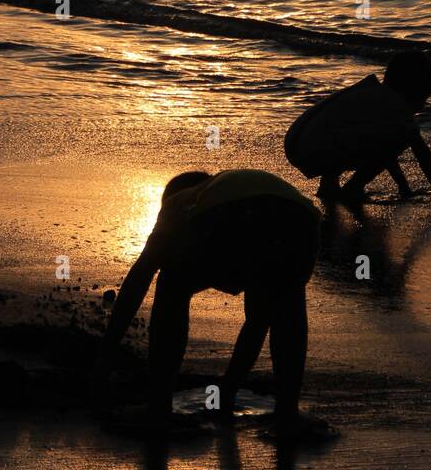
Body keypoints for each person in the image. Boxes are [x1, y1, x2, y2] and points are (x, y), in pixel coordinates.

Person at [91, 169, 320, 435]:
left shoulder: (180, 202)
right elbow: (257, 323)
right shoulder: (235, 186)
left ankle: (158, 408)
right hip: (302, 220)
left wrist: (104, 358)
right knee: (286, 304)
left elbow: (140, 277)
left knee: (171, 283)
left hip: (225, 218)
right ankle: (287, 415)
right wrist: (228, 392)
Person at [284, 53, 431, 207]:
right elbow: (421, 153)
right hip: (314, 151)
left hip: (297, 143)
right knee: (404, 132)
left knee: (353, 131)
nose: (424, 103)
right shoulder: (394, 106)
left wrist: (403, 187)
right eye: (424, 95)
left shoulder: (371, 92)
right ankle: (353, 188)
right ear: (412, 90)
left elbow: (382, 146)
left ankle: (329, 185)